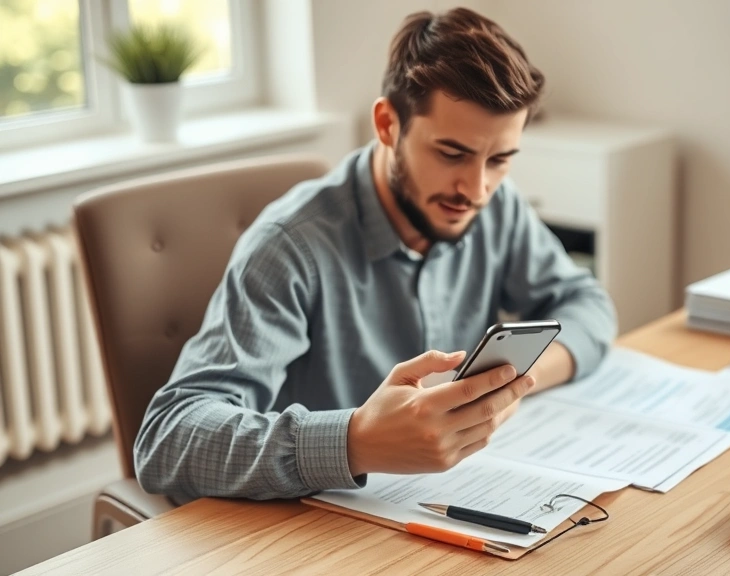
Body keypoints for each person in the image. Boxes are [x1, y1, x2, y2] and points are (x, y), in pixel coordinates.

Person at [134, 7, 617, 504]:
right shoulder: (290, 246)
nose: (475, 190)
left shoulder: (497, 207)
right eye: (451, 154)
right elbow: (167, 441)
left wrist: (509, 386)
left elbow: (588, 305)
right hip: (306, 527)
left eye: (498, 160)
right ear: (388, 124)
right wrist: (357, 441)